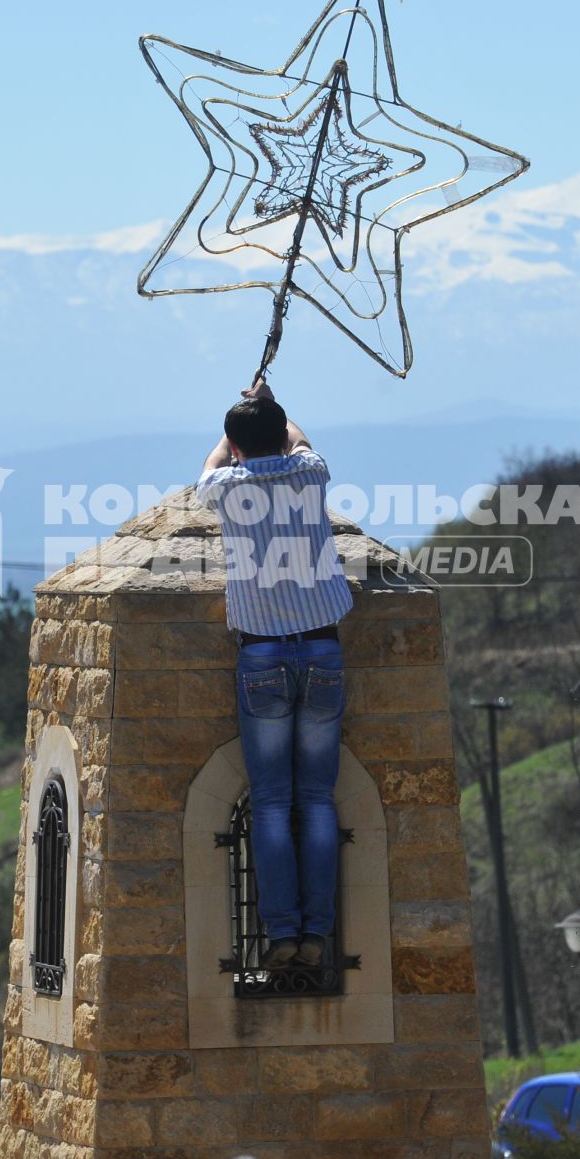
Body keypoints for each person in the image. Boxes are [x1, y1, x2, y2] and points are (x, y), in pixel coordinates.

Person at [195, 379, 353, 969]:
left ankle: (282, 934)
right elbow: (298, 438)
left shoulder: (225, 487)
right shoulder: (308, 474)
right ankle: (318, 933)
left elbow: (213, 462)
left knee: (268, 802)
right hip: (323, 649)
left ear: (237, 447)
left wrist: (237, 429)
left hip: (260, 655)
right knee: (316, 797)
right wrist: (267, 404)